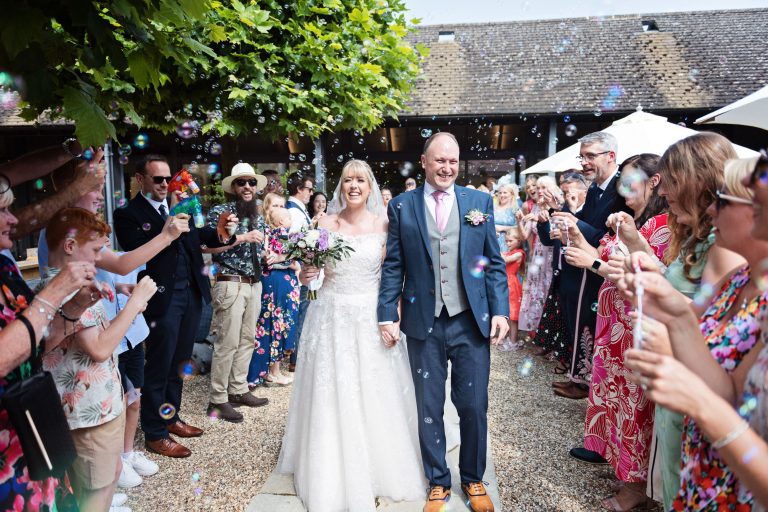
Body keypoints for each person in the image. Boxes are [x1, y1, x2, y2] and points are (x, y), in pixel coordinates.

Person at [277, 160, 424, 512]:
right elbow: (308, 277)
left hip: (371, 315)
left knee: (373, 389)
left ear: (370, 186)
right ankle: (327, 465)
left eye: (360, 180)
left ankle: (375, 462)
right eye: (347, 180)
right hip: (329, 313)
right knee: (329, 390)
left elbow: (395, 276)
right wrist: (307, 273)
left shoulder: (386, 224)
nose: (353, 186)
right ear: (340, 186)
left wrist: (394, 318)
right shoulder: (324, 224)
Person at [624, 153, 768, 511]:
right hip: (705, 473)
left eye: (723, 200)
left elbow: (721, 405)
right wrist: (674, 316)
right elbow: (731, 391)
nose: (711, 210)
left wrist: (699, 402)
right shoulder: (739, 281)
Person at [379, 132, 509, 512]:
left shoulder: (479, 202)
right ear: (424, 162)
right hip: (423, 323)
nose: (447, 168)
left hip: (470, 322)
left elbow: (494, 264)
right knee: (429, 406)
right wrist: (387, 313)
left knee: (473, 405)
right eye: (440, 161)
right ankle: (438, 482)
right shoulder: (402, 206)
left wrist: (499, 310)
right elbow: (394, 266)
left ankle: (472, 479)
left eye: (453, 161)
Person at [562, 154, 670, 510]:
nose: (621, 186)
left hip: (637, 325)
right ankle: (623, 469)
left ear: (653, 182)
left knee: (635, 405)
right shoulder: (629, 219)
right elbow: (604, 257)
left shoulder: (662, 225)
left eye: (628, 178)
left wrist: (593, 263)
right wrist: (578, 236)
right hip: (612, 325)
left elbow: (650, 275)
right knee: (615, 399)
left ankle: (637, 488)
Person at [114, 154, 237, 459]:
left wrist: (222, 230)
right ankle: (155, 433)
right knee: (159, 363)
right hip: (161, 297)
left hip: (191, 293)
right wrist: (166, 231)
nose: (164, 184)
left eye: (167, 178)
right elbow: (134, 253)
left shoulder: (178, 206)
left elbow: (197, 238)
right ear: (140, 179)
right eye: (157, 179)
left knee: (180, 361)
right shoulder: (128, 214)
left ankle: (171, 417)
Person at [41, 207, 158, 512]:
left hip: (90, 406)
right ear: (69, 246)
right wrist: (135, 302)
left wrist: (121, 291)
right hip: (89, 412)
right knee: (95, 492)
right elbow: (100, 349)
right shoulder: (71, 289)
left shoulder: (55, 283)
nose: (98, 257)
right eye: (95, 249)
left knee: (108, 476)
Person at [0, 175, 103, 511]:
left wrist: (74, 308)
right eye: (2, 211)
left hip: (31, 425)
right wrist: (56, 291)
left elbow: (36, 341)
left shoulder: (5, 267)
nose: (14, 220)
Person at [545, 132, 626, 400]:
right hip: (584, 269)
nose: (585, 162)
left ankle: (589, 384)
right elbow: (589, 229)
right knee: (581, 323)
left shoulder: (620, 189)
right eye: (583, 156)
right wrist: (567, 231)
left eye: (591, 156)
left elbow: (607, 236)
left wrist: (575, 224)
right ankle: (582, 379)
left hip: (606, 268)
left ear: (611, 156)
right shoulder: (594, 189)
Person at [204, 163, 269, 423]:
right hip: (230, 282)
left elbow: (257, 247)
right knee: (227, 342)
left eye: (251, 183)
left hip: (254, 282)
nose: (247, 187)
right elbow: (207, 247)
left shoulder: (257, 214)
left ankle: (238, 389)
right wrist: (242, 238)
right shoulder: (221, 211)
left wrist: (267, 255)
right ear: (233, 186)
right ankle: (217, 400)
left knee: (247, 339)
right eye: (242, 182)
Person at [247, 201, 300, 387]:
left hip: (275, 282)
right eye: (287, 218)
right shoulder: (281, 235)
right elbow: (278, 260)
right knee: (276, 324)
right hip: (279, 283)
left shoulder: (270, 234)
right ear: (279, 222)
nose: (291, 220)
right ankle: (271, 373)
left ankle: (266, 372)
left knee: (269, 325)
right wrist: (291, 262)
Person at [517, 176, 558, 342]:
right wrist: (519, 220)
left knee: (550, 293)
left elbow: (557, 234)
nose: (539, 191)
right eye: (538, 188)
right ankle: (538, 333)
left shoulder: (558, 206)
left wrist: (543, 220)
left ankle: (551, 337)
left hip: (552, 256)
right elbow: (524, 235)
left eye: (543, 187)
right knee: (536, 294)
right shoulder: (534, 208)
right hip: (537, 257)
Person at [286, 174, 314, 372]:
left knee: (303, 313)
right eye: (309, 189)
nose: (311, 193)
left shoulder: (299, 210)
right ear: (298, 188)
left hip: (302, 270)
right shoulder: (294, 213)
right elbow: (295, 242)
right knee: (300, 314)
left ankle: (297, 357)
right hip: (298, 272)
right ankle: (296, 358)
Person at [500, 227, 525, 349]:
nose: (507, 243)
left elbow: (505, 259)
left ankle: (513, 342)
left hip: (512, 285)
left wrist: (493, 246)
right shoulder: (510, 252)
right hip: (506, 283)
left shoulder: (519, 253)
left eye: (510, 241)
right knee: (508, 313)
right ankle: (509, 338)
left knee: (513, 315)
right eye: (506, 241)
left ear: (519, 241)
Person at [494, 183, 520, 251]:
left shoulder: (515, 209)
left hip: (508, 242)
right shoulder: (493, 208)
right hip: (493, 240)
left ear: (511, 195)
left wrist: (502, 228)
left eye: (505, 193)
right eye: (500, 193)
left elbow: (520, 227)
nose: (502, 195)